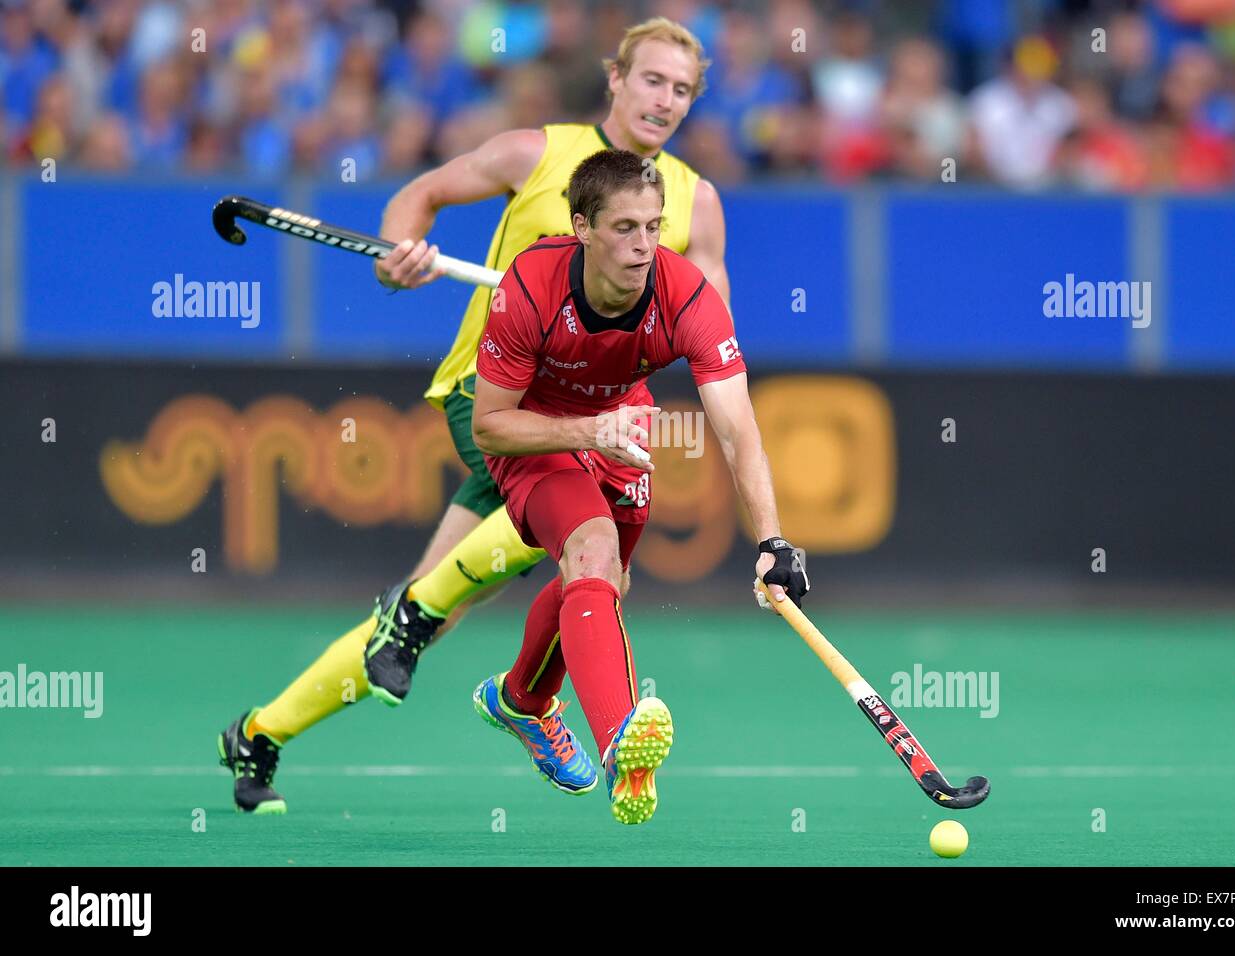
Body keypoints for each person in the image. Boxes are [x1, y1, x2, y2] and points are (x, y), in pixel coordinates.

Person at [217, 18, 730, 815]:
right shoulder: (538, 152)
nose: (664, 100)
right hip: (494, 404)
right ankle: (518, 695)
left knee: (443, 609)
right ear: (616, 79)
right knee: (584, 555)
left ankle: (260, 732)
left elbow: (711, 324)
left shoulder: (696, 199)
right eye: (652, 80)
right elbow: (416, 199)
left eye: (682, 89)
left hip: (595, 417)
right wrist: (400, 256)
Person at [470, 149, 809, 825]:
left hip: (620, 428)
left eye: (653, 226)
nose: (643, 245)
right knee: (591, 552)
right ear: (582, 226)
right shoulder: (531, 288)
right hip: (537, 433)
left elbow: (739, 429)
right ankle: (623, 744)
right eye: (624, 227)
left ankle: (522, 701)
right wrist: (588, 431)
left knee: (600, 585)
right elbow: (490, 426)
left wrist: (774, 538)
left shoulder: (686, 295)